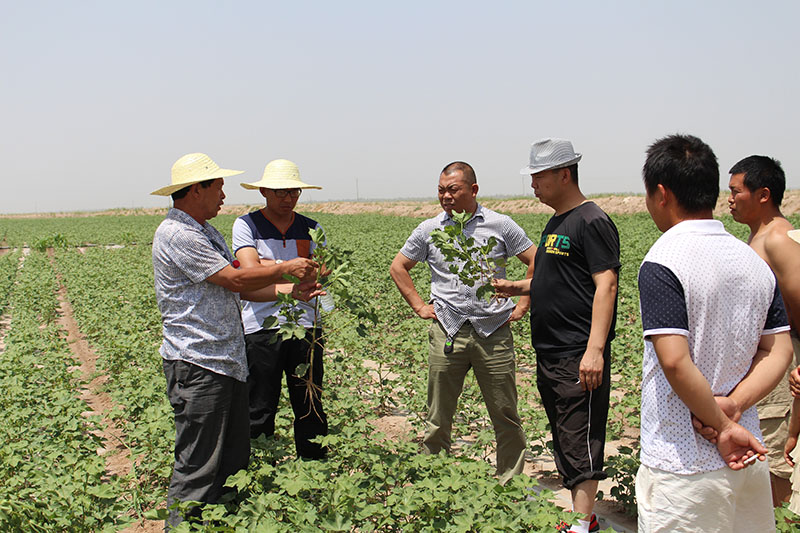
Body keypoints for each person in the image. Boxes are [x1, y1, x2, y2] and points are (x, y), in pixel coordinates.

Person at [151, 153, 318, 528]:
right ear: (197, 190)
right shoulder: (177, 233)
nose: (224, 195)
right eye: (219, 186)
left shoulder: (205, 231)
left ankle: (223, 522)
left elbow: (242, 291)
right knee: (197, 466)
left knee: (232, 463)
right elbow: (237, 280)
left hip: (225, 361)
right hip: (197, 363)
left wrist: (293, 290)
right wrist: (285, 266)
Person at [636, 134, 793, 532]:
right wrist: (736, 406)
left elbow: (674, 360)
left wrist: (722, 427)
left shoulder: (664, 260)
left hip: (683, 466)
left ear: (661, 193)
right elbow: (778, 350)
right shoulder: (751, 258)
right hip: (747, 456)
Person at [494, 138, 619, 533]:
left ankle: (583, 524)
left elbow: (607, 285)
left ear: (564, 174)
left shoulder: (591, 220)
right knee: (565, 432)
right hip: (551, 351)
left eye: (539, 176)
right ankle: (582, 518)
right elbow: (556, 280)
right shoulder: (555, 223)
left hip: (577, 351)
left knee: (580, 434)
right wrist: (517, 287)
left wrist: (594, 350)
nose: (533, 184)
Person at [389, 161, 535, 485]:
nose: (446, 196)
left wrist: (523, 302)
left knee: (505, 415)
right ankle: (434, 482)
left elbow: (536, 260)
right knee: (438, 416)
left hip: (493, 331)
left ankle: (509, 485)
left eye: (453, 189)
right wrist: (418, 305)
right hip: (447, 331)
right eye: (441, 190)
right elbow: (399, 267)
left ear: (473, 189)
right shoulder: (429, 229)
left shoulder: (500, 225)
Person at [232, 159, 328, 459]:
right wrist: (291, 274)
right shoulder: (246, 225)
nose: (288, 199)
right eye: (281, 193)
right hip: (261, 327)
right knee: (260, 404)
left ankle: (315, 467)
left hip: (307, 326)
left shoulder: (312, 227)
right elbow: (248, 277)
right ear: (264, 191)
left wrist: (268, 268)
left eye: (294, 192)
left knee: (309, 400)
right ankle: (259, 469)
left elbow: (320, 271)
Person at [726, 155, 800, 506]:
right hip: (765, 365)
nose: (729, 199)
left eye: (736, 191)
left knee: (775, 464)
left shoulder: (779, 240)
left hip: (784, 367)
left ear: (763, 194)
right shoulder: (757, 238)